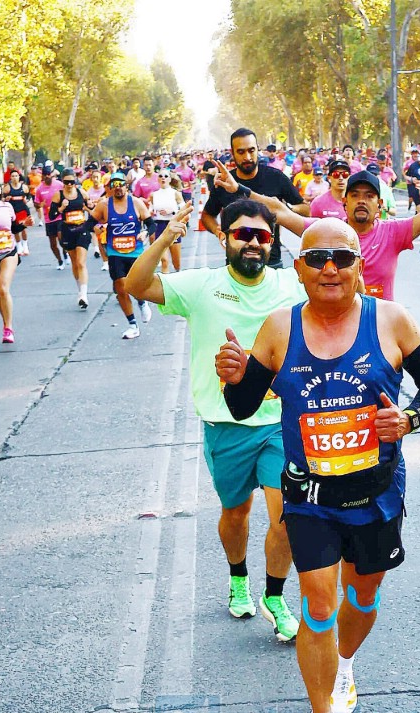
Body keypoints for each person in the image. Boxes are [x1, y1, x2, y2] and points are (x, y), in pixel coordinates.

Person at [216, 217, 420, 713]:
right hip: (309, 496)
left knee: (361, 599)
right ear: (297, 269)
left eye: (341, 258)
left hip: (375, 491)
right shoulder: (278, 328)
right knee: (318, 606)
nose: (329, 268)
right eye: (316, 258)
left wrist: (410, 418)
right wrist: (234, 376)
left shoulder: (390, 321)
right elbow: (244, 408)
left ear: (358, 267)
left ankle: (345, 663)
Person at [125, 198, 304, 640]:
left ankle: (276, 596)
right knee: (236, 511)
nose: (253, 243)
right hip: (225, 424)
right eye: (243, 234)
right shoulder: (201, 286)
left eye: (261, 236)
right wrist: (166, 237)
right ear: (224, 238)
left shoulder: (290, 286)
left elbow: (342, 277)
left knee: (287, 516)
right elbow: (136, 284)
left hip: (281, 422)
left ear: (272, 241)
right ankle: (238, 578)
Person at [214, 153, 420, 303]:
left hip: (380, 327)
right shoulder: (324, 231)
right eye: (355, 195)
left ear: (379, 203)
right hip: (331, 325)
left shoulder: (394, 233)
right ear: (345, 203)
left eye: (369, 196)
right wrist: (239, 188)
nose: (362, 201)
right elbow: (278, 210)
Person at [202, 128, 308, 270]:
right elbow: (207, 215)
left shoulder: (276, 177)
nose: (247, 157)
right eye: (241, 152)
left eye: (251, 150)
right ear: (232, 153)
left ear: (258, 150)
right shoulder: (224, 182)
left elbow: (306, 209)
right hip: (236, 264)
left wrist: (284, 209)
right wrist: (218, 232)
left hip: (272, 263)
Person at [87, 171, 153, 339]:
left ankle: (141, 301)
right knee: (121, 288)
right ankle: (133, 325)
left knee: (136, 286)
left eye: (121, 185)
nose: (118, 188)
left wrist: (145, 233)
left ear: (126, 186)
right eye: (114, 185)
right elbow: (89, 223)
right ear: (110, 188)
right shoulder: (104, 205)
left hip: (135, 252)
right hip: (115, 252)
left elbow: (151, 225)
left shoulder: (136, 203)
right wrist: (96, 228)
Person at [0, 178, 32, 343]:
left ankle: (8, 328)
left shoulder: (7, 207)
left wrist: (24, 224)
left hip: (8, 252)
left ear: (0, 189)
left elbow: (14, 227)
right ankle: (5, 324)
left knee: (3, 287)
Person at [49, 168, 93, 309]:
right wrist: (61, 208)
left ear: (75, 181)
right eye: (66, 182)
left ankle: (84, 295)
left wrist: (90, 207)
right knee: (74, 263)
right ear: (62, 182)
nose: (69, 185)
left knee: (81, 262)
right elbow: (51, 216)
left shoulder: (82, 193)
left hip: (82, 229)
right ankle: (80, 289)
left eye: (72, 182)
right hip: (67, 230)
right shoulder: (58, 195)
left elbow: (92, 208)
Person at [149, 169, 185, 273]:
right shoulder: (153, 195)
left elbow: (183, 210)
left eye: (165, 176)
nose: (163, 178)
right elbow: (150, 209)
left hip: (172, 225)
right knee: (164, 260)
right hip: (159, 226)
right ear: (158, 179)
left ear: (170, 179)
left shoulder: (176, 193)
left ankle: (178, 276)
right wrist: (151, 212)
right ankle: (165, 286)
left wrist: (172, 211)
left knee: (176, 263)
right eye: (160, 176)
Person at [34, 166, 65, 269]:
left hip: (60, 216)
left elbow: (66, 195)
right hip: (49, 219)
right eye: (45, 175)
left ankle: (65, 252)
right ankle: (60, 261)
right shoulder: (39, 189)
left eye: (49, 174)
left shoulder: (59, 185)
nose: (48, 176)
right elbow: (36, 204)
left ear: (52, 174)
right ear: (42, 176)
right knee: (53, 244)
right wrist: (39, 205)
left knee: (61, 238)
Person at [2, 169, 31, 256]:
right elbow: (1, 199)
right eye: (13, 176)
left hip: (22, 210)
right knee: (15, 230)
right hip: (13, 211)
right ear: (10, 178)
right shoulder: (7, 188)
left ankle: (25, 246)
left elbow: (29, 196)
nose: (14, 178)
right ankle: (19, 246)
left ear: (19, 177)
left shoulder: (24, 187)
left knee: (24, 228)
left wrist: (27, 200)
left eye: (16, 176)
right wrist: (5, 200)